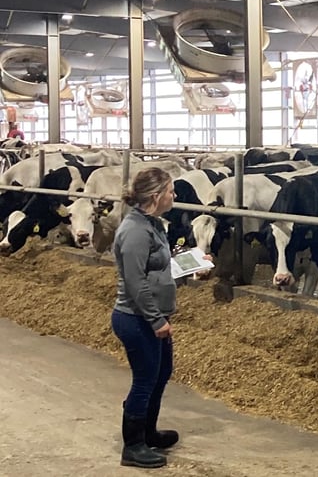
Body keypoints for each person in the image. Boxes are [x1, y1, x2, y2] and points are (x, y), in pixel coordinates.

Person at [111, 167, 178, 468]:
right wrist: (156, 320)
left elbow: (158, 267)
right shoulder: (136, 230)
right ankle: (133, 445)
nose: (174, 196)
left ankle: (148, 432)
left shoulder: (153, 225)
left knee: (161, 374)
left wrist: (191, 263)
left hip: (151, 316)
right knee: (145, 379)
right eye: (171, 191)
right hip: (136, 318)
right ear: (156, 195)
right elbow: (135, 281)